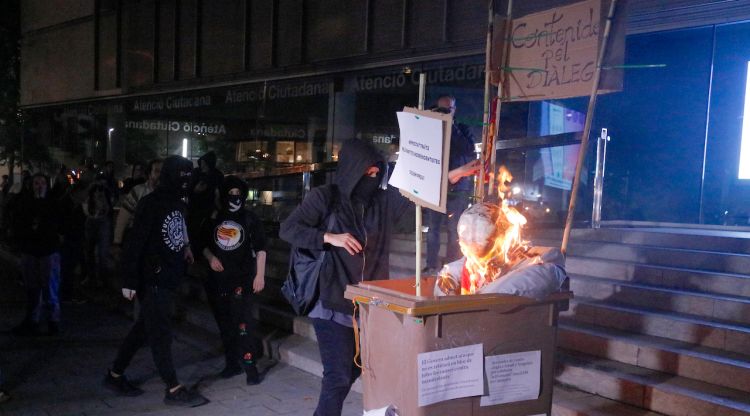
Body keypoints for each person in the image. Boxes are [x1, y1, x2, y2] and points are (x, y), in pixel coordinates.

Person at [280, 139, 412, 416]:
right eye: (368, 172)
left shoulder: (382, 202)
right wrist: (329, 238)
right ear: (354, 169)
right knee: (338, 376)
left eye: (378, 172)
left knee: (359, 367)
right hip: (330, 303)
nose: (374, 178)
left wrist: (451, 177)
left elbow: (416, 195)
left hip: (370, 305)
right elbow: (289, 229)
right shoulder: (325, 197)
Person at [103, 155, 208, 407]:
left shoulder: (179, 202)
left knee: (142, 329)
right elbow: (136, 241)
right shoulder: (151, 203)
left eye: (187, 175)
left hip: (168, 275)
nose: (186, 180)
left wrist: (186, 247)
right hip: (152, 278)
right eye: (181, 176)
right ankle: (173, 388)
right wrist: (128, 280)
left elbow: (178, 228)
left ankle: (114, 375)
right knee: (160, 332)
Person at [200, 176, 267, 385]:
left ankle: (250, 367)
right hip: (219, 280)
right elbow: (201, 243)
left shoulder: (249, 218)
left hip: (243, 278)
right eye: (231, 193)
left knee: (244, 323)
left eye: (238, 194)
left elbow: (261, 248)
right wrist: (211, 258)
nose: (235, 198)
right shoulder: (214, 218)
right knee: (226, 324)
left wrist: (260, 275)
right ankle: (231, 363)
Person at [424, 95, 480, 274]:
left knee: (454, 228)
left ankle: (451, 266)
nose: (446, 112)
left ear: (455, 110)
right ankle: (431, 265)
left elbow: (468, 149)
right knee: (433, 229)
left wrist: (451, 126)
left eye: (449, 109)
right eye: (442, 109)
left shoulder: (462, 129)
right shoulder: (431, 129)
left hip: (458, 187)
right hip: (436, 185)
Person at [10, 173, 62, 336]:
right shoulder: (25, 203)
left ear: (47, 185)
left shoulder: (52, 203)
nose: (39, 186)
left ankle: (53, 321)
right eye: (36, 183)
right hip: (30, 250)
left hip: (47, 250)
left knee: (49, 287)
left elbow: (56, 225)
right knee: (32, 288)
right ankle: (33, 319)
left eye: (42, 183)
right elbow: (18, 222)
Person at [113, 159, 162, 246]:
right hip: (139, 238)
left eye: (162, 171)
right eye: (157, 171)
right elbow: (123, 217)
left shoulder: (166, 193)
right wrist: (117, 241)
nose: (160, 174)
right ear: (149, 173)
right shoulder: (138, 191)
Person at [81, 180, 113, 288]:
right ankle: (91, 277)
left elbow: (108, 209)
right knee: (89, 252)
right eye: (96, 191)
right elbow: (87, 211)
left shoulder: (105, 197)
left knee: (102, 254)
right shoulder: (88, 200)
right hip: (91, 223)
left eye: (100, 191)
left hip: (102, 222)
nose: (98, 194)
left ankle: (102, 278)